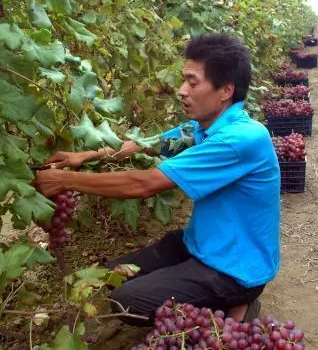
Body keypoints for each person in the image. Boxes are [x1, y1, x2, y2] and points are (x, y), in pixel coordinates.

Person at [35, 33, 280, 326]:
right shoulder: (205, 127)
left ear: (226, 90)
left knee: (127, 302)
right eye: (183, 80)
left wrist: (66, 180)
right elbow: (150, 143)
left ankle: (236, 307)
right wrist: (86, 156)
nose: (181, 90)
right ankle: (206, 297)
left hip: (235, 270)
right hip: (202, 244)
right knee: (113, 275)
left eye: (193, 82)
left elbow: (146, 184)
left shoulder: (239, 139)